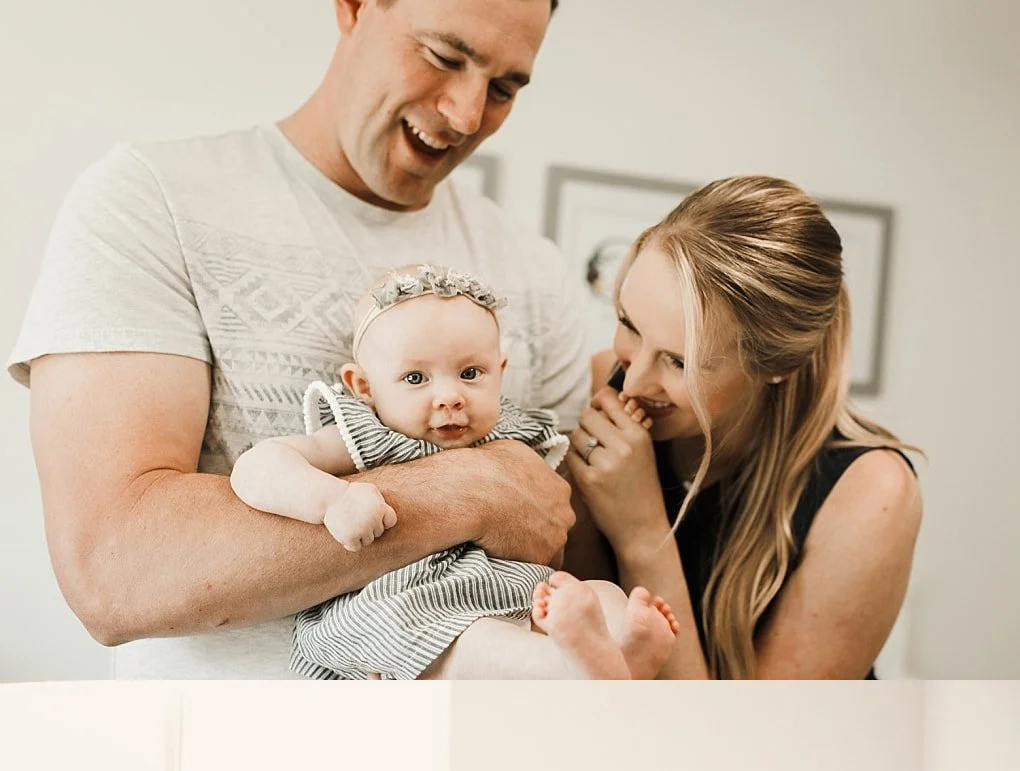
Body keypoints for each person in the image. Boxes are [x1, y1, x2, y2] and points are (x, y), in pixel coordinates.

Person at [7, 0, 583, 680]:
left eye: (505, 87)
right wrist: (475, 489)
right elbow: (115, 570)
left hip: (486, 763)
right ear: (354, 7)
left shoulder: (538, 274)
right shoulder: (147, 201)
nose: (464, 113)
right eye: (444, 56)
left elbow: (556, 546)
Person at [231, 262, 679, 680]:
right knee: (474, 639)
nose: (449, 396)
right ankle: (567, 666)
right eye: (415, 379)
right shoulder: (365, 433)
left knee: (600, 594)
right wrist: (330, 500)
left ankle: (621, 655)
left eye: (470, 373)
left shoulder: (510, 433)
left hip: (513, 594)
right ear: (363, 386)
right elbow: (256, 467)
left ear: (499, 373)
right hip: (406, 612)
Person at [561, 175, 924, 680]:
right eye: (628, 324)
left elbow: (747, 743)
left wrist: (642, 535)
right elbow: (583, 660)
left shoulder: (870, 492)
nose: (636, 381)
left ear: (774, 365)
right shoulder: (609, 384)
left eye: (680, 362)